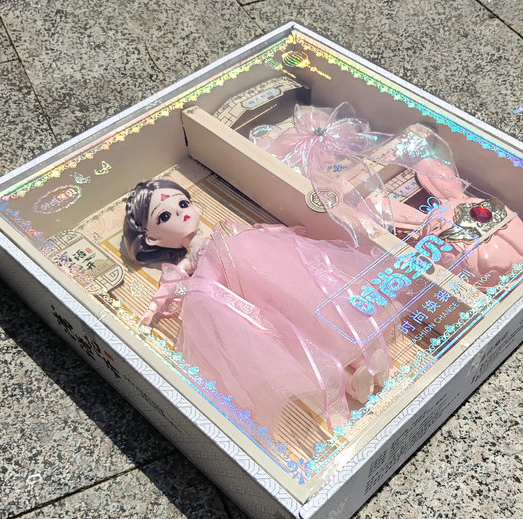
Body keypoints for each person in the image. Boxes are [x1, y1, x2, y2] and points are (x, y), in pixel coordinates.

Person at [123, 178, 393, 433]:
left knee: (315, 315)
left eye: (183, 203)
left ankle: (364, 359)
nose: (180, 213)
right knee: (293, 342)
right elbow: (174, 282)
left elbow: (259, 232)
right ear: (152, 238)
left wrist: (286, 232)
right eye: (164, 217)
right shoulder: (195, 260)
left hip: (277, 281)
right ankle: (350, 383)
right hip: (253, 304)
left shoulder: (229, 229)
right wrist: (153, 308)